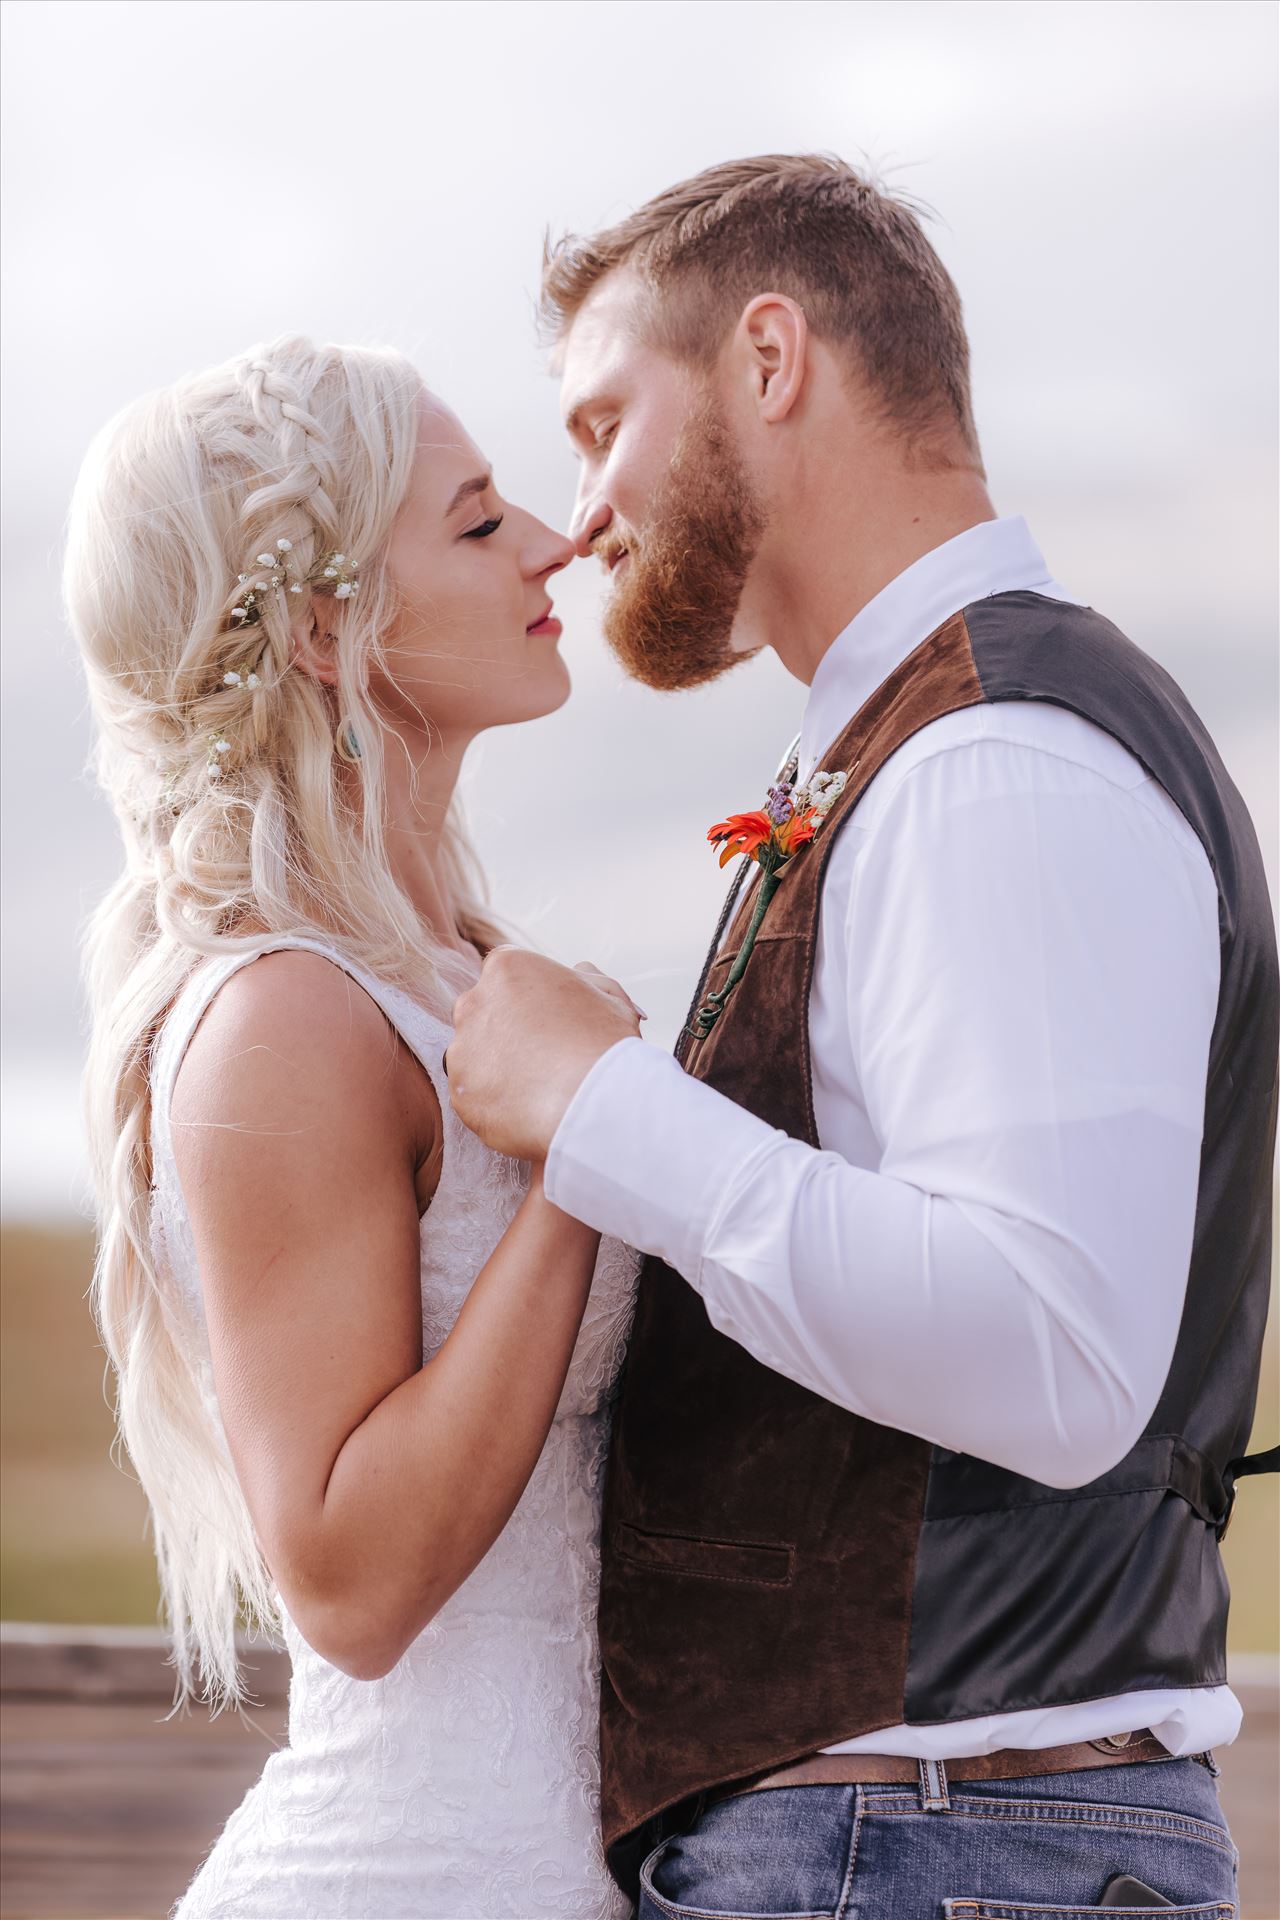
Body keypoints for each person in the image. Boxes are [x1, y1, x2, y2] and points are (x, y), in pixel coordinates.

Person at [446, 154, 1279, 1914]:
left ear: (769, 357)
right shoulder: (929, 741)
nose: (580, 510)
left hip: (936, 1842)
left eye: (605, 424)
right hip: (922, 1845)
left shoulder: (992, 765)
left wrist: (604, 1106)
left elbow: (1053, 1358)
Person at [68, 336, 640, 1919]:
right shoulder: (285, 1019)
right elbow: (351, 1583)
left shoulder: (454, 976)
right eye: (474, 524)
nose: (553, 541)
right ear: (324, 629)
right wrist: (591, 1152)